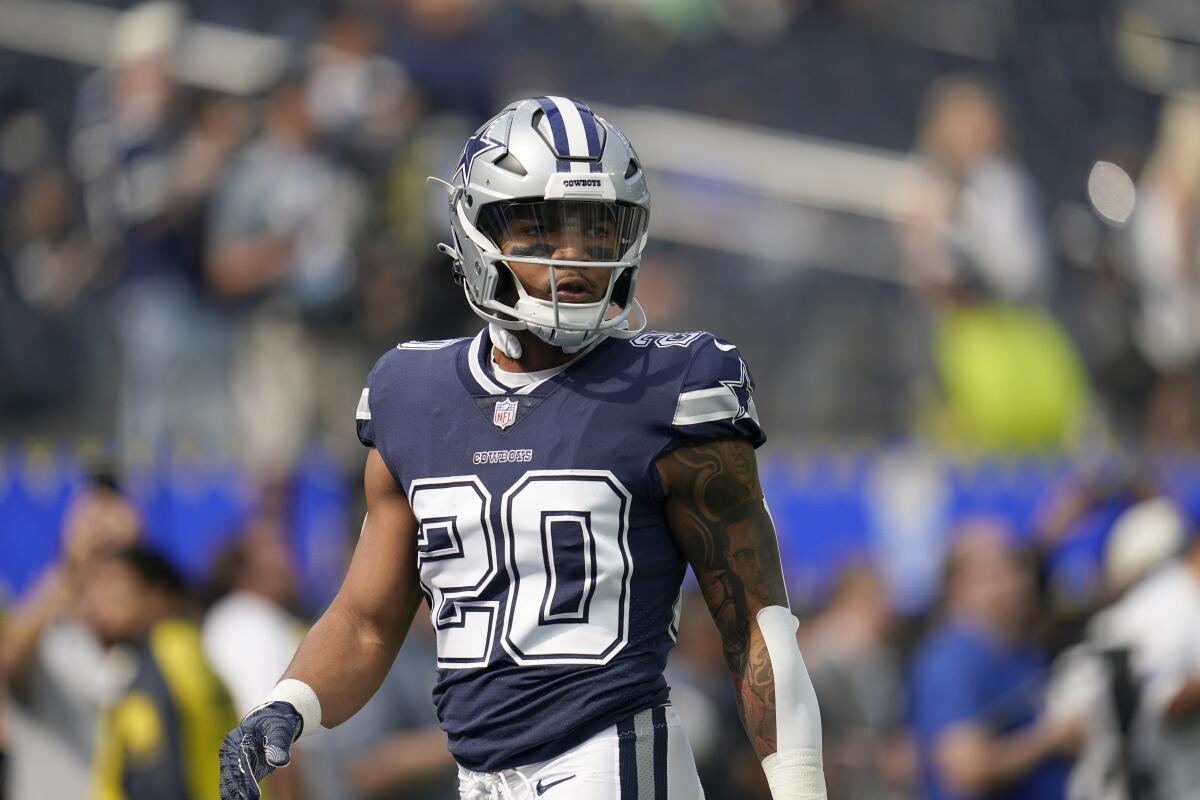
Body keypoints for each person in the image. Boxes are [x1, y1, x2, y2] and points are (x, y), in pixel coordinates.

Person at [219, 97, 827, 800]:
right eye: (541, 227)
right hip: (478, 779)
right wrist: (290, 703)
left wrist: (801, 786)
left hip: (612, 763)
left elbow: (755, 626)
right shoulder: (411, 393)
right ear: (477, 229)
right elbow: (364, 620)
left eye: (598, 229)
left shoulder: (674, 386)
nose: (574, 257)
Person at [909, 519, 1080, 800]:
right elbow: (966, 770)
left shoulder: (1019, 647)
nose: (1020, 581)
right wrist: (1052, 738)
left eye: (1020, 567)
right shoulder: (952, 661)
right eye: (1003, 570)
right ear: (959, 585)